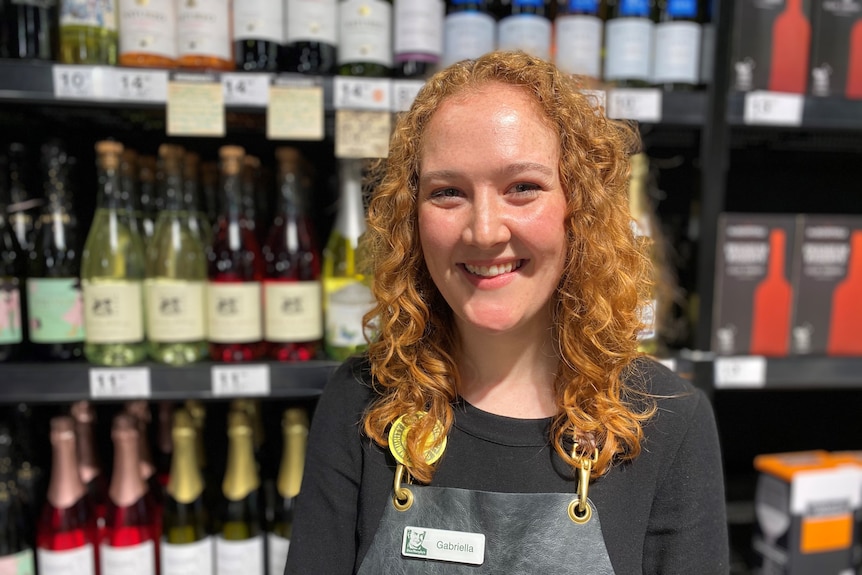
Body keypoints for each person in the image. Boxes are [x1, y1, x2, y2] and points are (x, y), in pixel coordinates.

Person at [285, 51, 728, 574]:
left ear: (578, 208)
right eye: (448, 192)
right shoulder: (361, 400)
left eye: (522, 188)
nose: (485, 231)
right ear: (410, 219)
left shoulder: (667, 420)